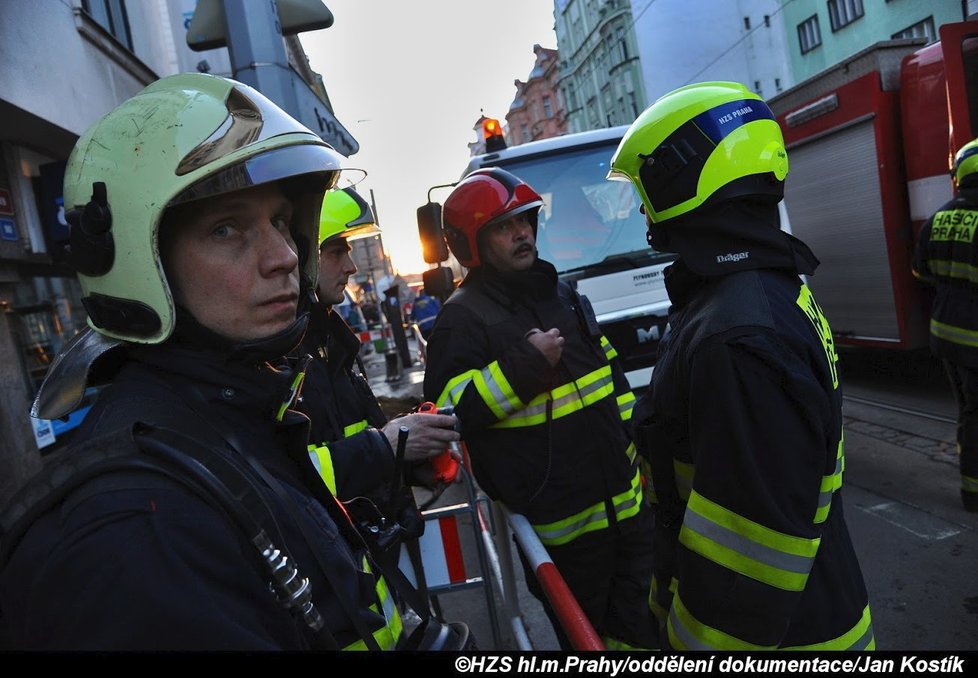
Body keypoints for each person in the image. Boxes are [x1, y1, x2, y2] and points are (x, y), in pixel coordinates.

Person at [0, 73, 462, 651]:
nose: (286, 256)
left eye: (277, 221)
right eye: (226, 229)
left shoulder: (236, 414)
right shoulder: (138, 529)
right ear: (146, 262)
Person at [608, 81, 874, 650]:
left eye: (646, 183)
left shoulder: (737, 329)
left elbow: (752, 549)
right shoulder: (752, 291)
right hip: (809, 612)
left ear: (683, 175)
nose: (641, 205)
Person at [422, 167, 656, 650]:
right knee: (588, 641)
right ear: (471, 244)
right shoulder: (461, 322)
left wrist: (642, 450)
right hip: (562, 535)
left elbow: (610, 379)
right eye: (505, 227)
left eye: (526, 221)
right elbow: (446, 414)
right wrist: (521, 369)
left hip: (629, 510)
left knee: (644, 631)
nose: (523, 233)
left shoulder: (564, 294)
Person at [298, 185, 460, 504]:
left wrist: (409, 461)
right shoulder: (283, 361)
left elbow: (351, 442)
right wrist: (389, 445)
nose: (352, 267)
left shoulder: (329, 343)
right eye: (336, 252)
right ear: (302, 256)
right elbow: (291, 481)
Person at [912, 138, 978, 513]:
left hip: (946, 335)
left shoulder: (938, 218)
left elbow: (920, 271)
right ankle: (973, 491)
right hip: (974, 339)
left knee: (969, 410)